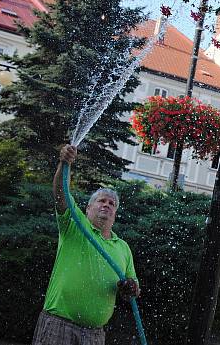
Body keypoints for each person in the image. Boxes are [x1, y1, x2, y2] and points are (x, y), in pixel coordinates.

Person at [32, 144, 140, 345]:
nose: (106, 205)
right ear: (88, 207)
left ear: (115, 214)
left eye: (111, 203)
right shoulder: (74, 225)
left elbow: (133, 288)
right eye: (101, 201)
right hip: (59, 325)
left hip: (94, 334)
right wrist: (65, 163)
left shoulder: (122, 248)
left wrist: (130, 288)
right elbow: (60, 195)